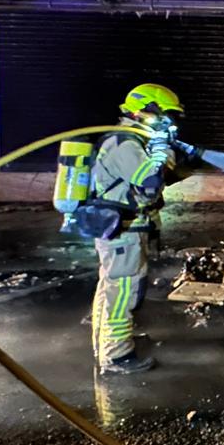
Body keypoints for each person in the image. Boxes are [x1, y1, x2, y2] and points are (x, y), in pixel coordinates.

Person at [88, 84, 200, 376]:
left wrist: (178, 157)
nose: (168, 122)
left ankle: (110, 343)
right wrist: (162, 152)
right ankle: (116, 356)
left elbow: (162, 180)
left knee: (112, 287)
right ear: (145, 110)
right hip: (123, 230)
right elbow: (150, 182)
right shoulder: (124, 143)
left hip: (126, 228)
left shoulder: (135, 141)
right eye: (164, 115)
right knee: (123, 290)